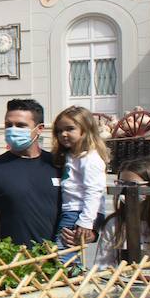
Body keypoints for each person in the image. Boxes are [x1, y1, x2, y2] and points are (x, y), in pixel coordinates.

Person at [0, 98, 61, 247]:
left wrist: (91, 231)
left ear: (39, 128)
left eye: (21, 125)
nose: (13, 130)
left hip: (59, 260)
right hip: (14, 263)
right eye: (8, 125)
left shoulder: (58, 165)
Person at [91, 157, 150, 266]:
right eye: (121, 183)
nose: (125, 190)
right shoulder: (115, 224)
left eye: (133, 185)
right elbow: (103, 265)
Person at [51, 106, 109, 263]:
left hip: (78, 211)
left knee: (64, 253)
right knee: (65, 251)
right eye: (59, 130)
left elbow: (94, 191)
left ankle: (71, 280)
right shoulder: (71, 155)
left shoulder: (90, 158)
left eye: (70, 129)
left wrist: (85, 221)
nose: (63, 134)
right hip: (72, 209)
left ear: (86, 130)